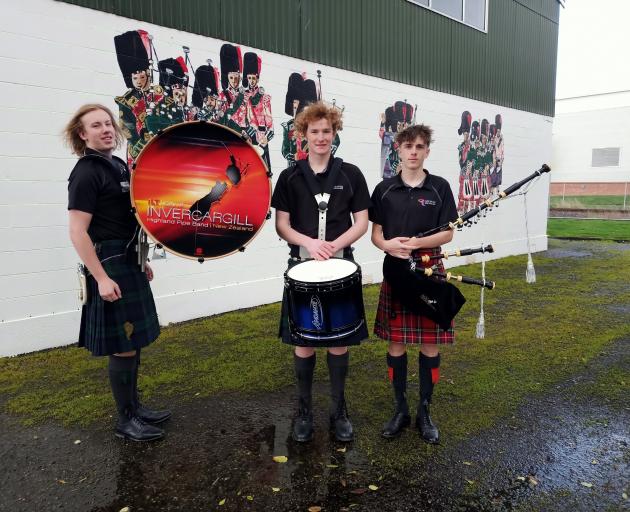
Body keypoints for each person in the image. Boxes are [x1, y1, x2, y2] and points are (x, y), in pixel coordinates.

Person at [64, 104, 170, 442]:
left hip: (128, 260)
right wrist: (101, 278)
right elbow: (78, 232)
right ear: (83, 135)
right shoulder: (86, 173)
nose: (106, 129)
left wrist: (142, 259)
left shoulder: (119, 165)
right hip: (108, 263)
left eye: (108, 123)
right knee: (123, 345)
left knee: (133, 341)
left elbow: (127, 220)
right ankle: (126, 420)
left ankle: (135, 408)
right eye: (96, 125)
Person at [271, 101, 371, 443]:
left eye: (327, 131)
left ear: (335, 132)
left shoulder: (351, 174)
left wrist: (333, 244)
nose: (321, 137)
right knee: (303, 342)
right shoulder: (289, 176)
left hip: (342, 263)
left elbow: (362, 221)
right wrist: (311, 244)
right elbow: (282, 225)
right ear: (303, 134)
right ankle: (303, 411)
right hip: (301, 265)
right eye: (314, 131)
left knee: (339, 341)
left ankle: (339, 409)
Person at [370, 124, 458, 444]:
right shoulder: (384, 189)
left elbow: (448, 232)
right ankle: (400, 409)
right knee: (396, 343)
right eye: (407, 146)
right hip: (396, 268)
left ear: (427, 151)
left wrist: (417, 244)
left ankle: (424, 411)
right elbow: (375, 233)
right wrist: (388, 246)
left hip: (429, 267)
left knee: (429, 343)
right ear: (398, 149)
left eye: (419, 147)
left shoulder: (439, 188)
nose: (413, 152)